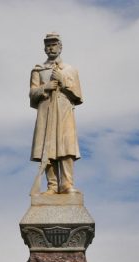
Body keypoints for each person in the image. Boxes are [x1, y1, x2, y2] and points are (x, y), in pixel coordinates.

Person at [30, 33, 82, 194]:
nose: (51, 47)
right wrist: (44, 88)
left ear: (60, 47)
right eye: (48, 45)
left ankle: (67, 184)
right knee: (48, 148)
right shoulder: (38, 69)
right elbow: (32, 94)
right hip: (46, 111)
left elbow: (78, 95)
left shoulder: (70, 70)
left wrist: (63, 81)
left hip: (64, 111)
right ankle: (52, 186)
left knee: (66, 147)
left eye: (54, 44)